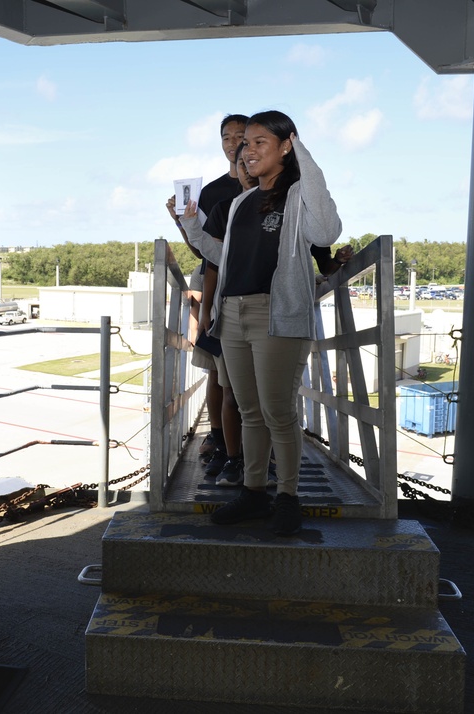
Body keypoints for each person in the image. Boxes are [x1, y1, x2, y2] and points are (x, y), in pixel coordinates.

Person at [180, 110, 342, 536]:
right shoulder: (240, 202)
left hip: (278, 313)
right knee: (249, 409)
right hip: (234, 313)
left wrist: (302, 153)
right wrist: (190, 222)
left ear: (287, 144)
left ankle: (287, 496)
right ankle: (254, 491)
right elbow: (220, 258)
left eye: (257, 143)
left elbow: (326, 232)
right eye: (243, 144)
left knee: (277, 411)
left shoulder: (300, 196)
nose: (245, 151)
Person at [168, 113, 247, 471]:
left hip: (250, 286)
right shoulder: (211, 192)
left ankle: (254, 447)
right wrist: (180, 222)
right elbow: (202, 252)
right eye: (227, 137)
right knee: (218, 370)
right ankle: (219, 436)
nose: (233, 143)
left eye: (241, 136)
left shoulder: (270, 187)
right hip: (215, 279)